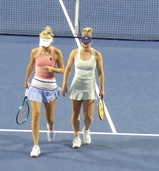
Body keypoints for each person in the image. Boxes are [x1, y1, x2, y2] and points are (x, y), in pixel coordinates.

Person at [61, 27, 105, 149]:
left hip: (89, 88)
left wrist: (102, 88)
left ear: (91, 41)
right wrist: (64, 84)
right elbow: (68, 69)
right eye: (83, 42)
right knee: (75, 114)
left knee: (89, 116)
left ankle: (86, 130)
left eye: (88, 42)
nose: (85, 45)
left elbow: (100, 73)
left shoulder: (97, 55)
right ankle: (76, 137)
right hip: (76, 87)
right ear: (81, 41)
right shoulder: (74, 53)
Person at [24, 26, 65, 158]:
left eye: (46, 44)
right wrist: (26, 80)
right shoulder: (35, 51)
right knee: (36, 115)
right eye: (43, 44)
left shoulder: (57, 52)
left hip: (50, 88)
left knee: (50, 117)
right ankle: (36, 146)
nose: (44, 47)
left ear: (51, 42)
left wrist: (51, 69)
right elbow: (31, 65)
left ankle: (50, 126)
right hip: (36, 85)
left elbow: (63, 70)